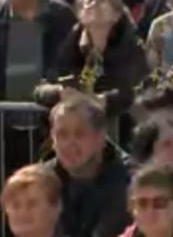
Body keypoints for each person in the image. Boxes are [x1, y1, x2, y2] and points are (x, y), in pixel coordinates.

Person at [52, 93, 135, 237]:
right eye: (62, 134)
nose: (69, 144)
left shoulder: (129, 182)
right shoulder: (42, 181)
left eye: (79, 134)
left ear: (101, 138)